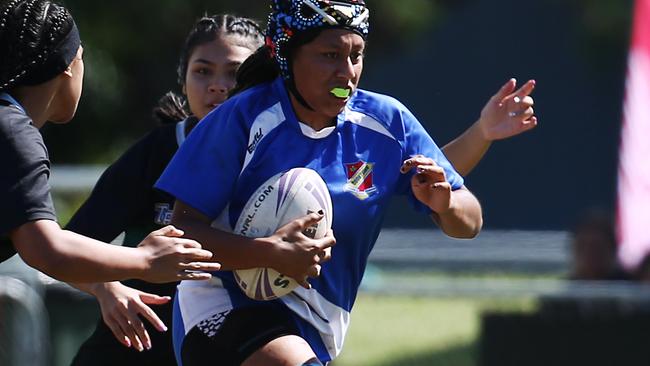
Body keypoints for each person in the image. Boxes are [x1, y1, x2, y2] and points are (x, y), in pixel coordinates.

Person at [154, 1, 537, 365]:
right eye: (329, 56)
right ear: (288, 55)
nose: (347, 72)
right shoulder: (245, 117)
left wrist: (445, 203)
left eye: (356, 56)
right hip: (221, 305)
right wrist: (267, 252)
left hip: (318, 327)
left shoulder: (387, 123)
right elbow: (182, 231)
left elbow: (469, 222)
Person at [68, 14, 265, 363]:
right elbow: (70, 246)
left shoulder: (280, 157)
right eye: (202, 71)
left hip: (235, 349)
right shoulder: (155, 152)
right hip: (135, 349)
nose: (218, 85)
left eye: (234, 73)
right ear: (183, 77)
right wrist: (106, 288)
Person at [0, 0, 220, 284]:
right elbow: (46, 250)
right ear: (68, 65)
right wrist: (146, 259)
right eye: (82, 57)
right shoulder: (14, 132)